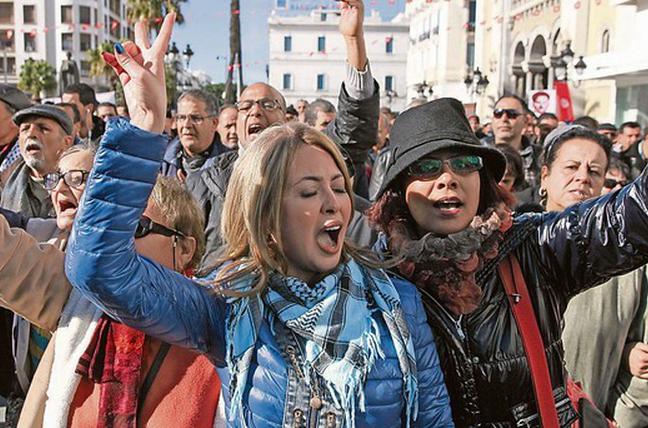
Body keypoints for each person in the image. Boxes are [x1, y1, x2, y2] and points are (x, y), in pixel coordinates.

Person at [367, 10, 648, 424]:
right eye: (426, 168)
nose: (448, 178)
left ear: (483, 181)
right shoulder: (373, 281)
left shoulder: (531, 248)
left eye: (464, 162)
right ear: (399, 192)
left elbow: (638, 217)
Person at [65, 13, 455, 427]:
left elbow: (433, 420)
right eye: (309, 191)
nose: (333, 204)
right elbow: (97, 268)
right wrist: (143, 125)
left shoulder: (396, 301)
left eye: (339, 187)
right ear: (266, 214)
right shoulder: (226, 305)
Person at [0, 135, 222, 427]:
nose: (116, 243)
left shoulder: (221, 326)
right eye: (110, 230)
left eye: (136, 228)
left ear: (184, 248)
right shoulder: (81, 296)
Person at [185, 0, 380, 268]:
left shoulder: (314, 160)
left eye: (268, 104)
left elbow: (352, 127)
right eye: (245, 106)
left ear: (286, 119)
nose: (255, 112)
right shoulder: (205, 182)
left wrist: (353, 41)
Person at [539, 126, 648, 427]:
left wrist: (618, 420)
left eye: (594, 171)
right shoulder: (509, 247)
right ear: (544, 176)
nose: (582, 177)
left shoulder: (628, 258)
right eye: (571, 167)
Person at [0, 104, 74, 219]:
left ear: (66, 142)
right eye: (25, 129)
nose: (31, 134)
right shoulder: (0, 190)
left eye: (43, 128)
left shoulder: (81, 187)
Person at [160, 89, 231, 181]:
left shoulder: (230, 166)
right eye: (181, 118)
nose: (187, 125)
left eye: (195, 118)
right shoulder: (162, 163)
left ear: (214, 123)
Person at [485, 95, 541, 188]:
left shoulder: (540, 157)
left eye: (512, 114)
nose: (504, 119)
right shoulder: (477, 153)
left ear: (525, 121)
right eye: (498, 113)